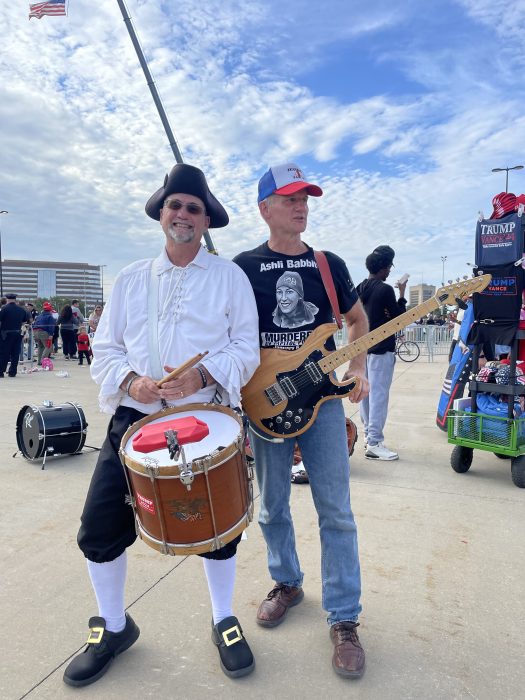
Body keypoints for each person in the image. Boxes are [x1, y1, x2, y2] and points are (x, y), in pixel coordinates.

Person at [63, 163, 260, 688]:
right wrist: (132, 382)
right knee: (98, 530)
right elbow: (104, 349)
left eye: (194, 208)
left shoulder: (229, 277)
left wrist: (204, 371)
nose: (183, 215)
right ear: (161, 212)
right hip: (135, 419)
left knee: (218, 530)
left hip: (206, 419)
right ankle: (114, 626)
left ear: (205, 220)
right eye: (175, 205)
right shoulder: (130, 278)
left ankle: (223, 619)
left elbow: (246, 347)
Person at [234, 162, 370, 679]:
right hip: (265, 400)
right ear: (265, 208)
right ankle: (287, 582)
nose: (301, 205)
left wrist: (357, 368)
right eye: (290, 198)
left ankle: (344, 618)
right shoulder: (243, 266)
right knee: (270, 507)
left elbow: (357, 322)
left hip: (325, 404)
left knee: (336, 510)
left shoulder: (328, 264)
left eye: (306, 198)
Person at [356, 245, 407, 461]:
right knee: (378, 395)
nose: (389, 272)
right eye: (389, 267)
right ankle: (375, 443)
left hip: (361, 350)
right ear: (384, 267)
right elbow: (399, 319)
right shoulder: (385, 289)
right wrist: (402, 294)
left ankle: (369, 436)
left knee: (365, 394)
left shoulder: (359, 288)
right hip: (381, 349)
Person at [0, 293, 30, 378]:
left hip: (5, 334)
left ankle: (1, 371)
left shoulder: (4, 309)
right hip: (17, 333)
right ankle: (12, 372)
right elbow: (24, 322)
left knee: (4, 353)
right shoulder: (21, 310)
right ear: (15, 299)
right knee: (15, 353)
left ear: (7, 299)